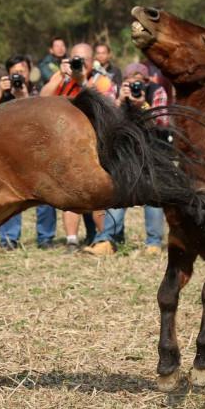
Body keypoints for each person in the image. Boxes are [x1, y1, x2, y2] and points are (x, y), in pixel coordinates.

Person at [83, 63, 169, 257]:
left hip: (152, 149)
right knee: (117, 193)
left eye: (139, 78)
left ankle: (153, 243)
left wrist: (142, 105)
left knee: (152, 195)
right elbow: (104, 121)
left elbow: (162, 122)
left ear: (146, 80)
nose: (134, 83)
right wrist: (120, 101)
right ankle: (106, 240)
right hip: (124, 150)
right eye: (131, 78)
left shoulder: (157, 91)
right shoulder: (116, 90)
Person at [40, 42, 115, 251]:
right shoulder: (61, 78)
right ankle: (72, 240)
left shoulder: (101, 79)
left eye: (82, 60)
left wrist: (82, 81)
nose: (77, 63)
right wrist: (59, 77)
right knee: (70, 191)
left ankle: (103, 238)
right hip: (64, 143)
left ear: (92, 61)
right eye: (74, 59)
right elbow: (42, 99)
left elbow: (105, 105)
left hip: (94, 143)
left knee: (97, 192)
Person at [0, 55, 42, 249]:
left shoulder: (37, 91)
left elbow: (36, 118)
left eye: (22, 71)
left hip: (31, 148)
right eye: (15, 73)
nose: (19, 76)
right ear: (8, 75)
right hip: (4, 149)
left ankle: (45, 238)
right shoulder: (3, 92)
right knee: (8, 195)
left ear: (29, 72)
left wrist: (23, 96)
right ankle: (9, 238)